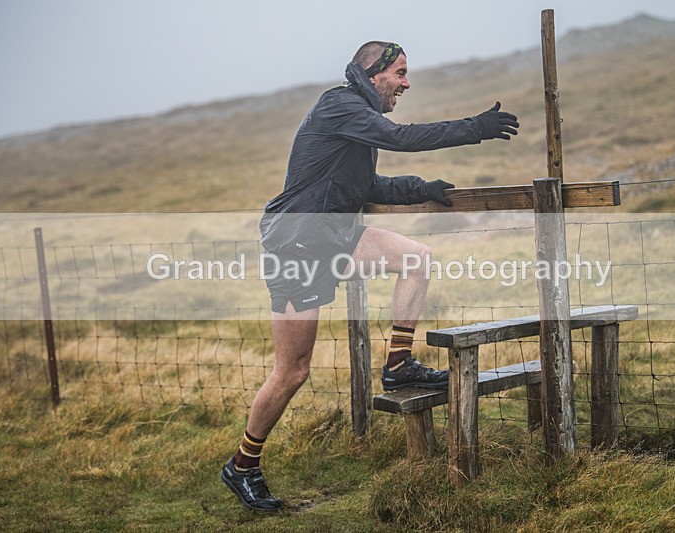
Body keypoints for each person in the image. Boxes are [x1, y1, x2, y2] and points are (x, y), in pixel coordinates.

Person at [221, 41, 519, 511]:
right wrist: (474, 128)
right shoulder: (339, 104)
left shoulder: (355, 117)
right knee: (293, 370)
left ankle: (398, 367)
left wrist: (423, 189)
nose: (406, 83)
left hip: (335, 237)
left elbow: (367, 186)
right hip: (296, 243)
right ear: (373, 71)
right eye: (400, 73)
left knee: (416, 257)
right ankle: (242, 466)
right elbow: (398, 138)